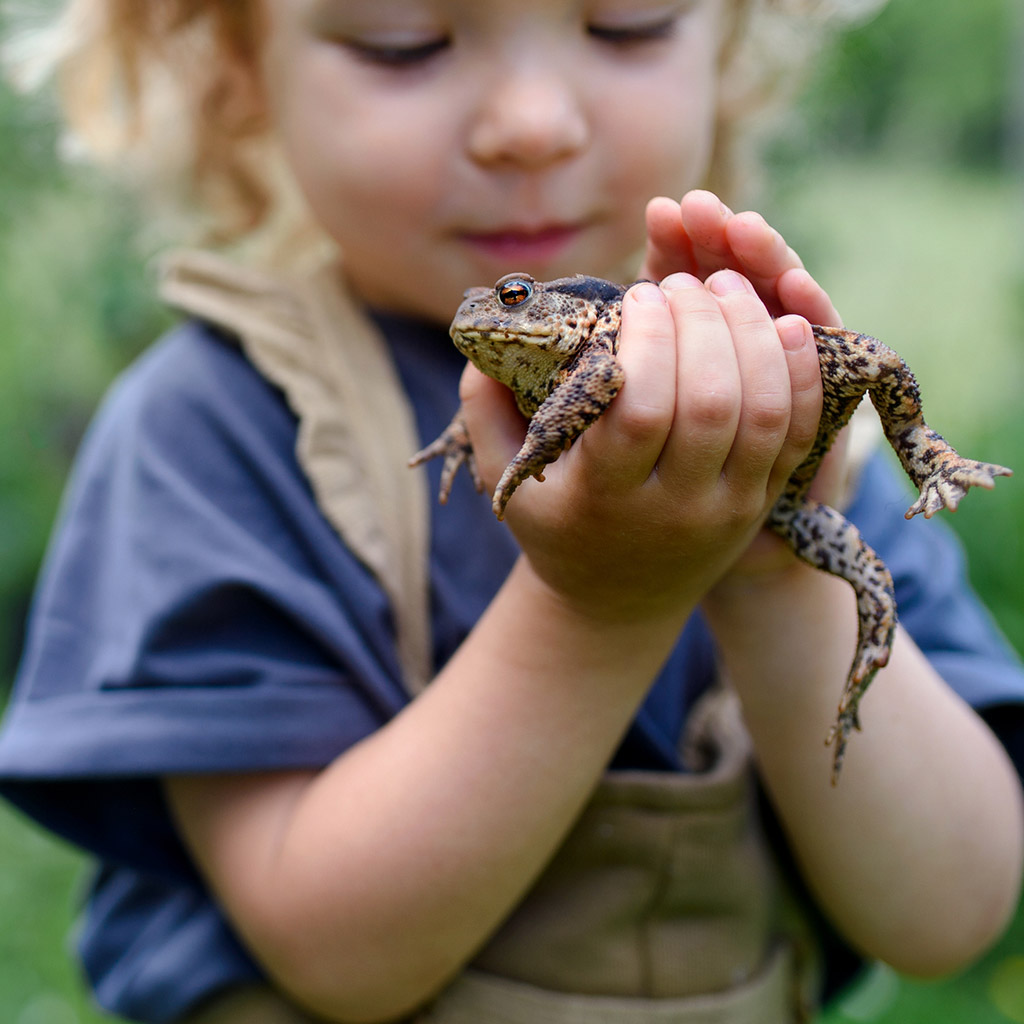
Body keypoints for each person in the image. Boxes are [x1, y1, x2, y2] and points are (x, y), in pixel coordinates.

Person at [1, 1, 1022, 1022]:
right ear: (238, 72)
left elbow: (946, 915)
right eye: (403, 41)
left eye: (628, 25)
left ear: (726, 47)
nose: (531, 126)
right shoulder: (207, 431)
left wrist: (769, 560)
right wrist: (600, 605)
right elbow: (337, 959)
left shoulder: (767, 406)